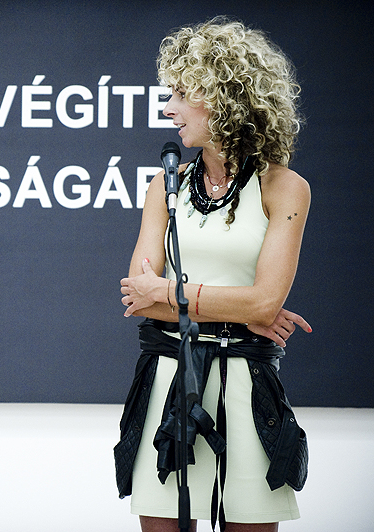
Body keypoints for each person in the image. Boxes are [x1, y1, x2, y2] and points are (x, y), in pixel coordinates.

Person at [115, 18, 311, 532]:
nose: (168, 108)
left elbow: (265, 304)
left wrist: (172, 292)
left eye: (182, 94)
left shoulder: (284, 187)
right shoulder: (165, 185)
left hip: (246, 387)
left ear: (226, 97)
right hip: (168, 380)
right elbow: (138, 298)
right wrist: (238, 309)